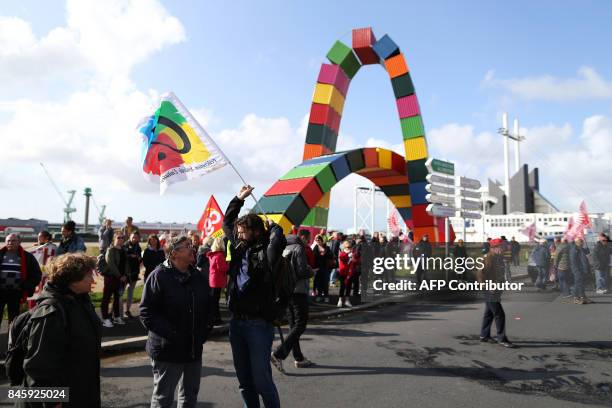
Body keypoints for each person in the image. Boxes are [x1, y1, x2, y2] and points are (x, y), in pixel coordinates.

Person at [223, 185, 286, 408]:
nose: (238, 234)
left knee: (261, 381)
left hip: (259, 324)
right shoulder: (239, 247)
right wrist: (238, 199)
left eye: (243, 230)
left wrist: (276, 230)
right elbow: (227, 223)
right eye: (238, 231)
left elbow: (278, 242)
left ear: (256, 231)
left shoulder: (266, 252)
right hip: (237, 323)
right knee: (244, 381)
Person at [20, 253, 102, 408]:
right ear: (72, 280)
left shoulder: (81, 300)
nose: (93, 280)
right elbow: (39, 365)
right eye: (88, 276)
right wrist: (52, 401)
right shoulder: (52, 312)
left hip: (81, 390)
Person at [140, 235, 212, 408]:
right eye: (187, 246)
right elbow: (146, 313)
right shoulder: (158, 276)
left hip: (194, 349)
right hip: (168, 350)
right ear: (173, 254)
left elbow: (208, 306)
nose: (192, 248)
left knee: (189, 396)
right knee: (163, 399)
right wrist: (172, 334)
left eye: (191, 244)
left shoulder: (197, 276)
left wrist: (205, 330)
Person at [271, 229, 315, 372]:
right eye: (307, 240)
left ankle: (298, 357)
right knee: (300, 324)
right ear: (302, 237)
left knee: (293, 326)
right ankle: (279, 353)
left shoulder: (283, 247)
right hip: (298, 290)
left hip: (286, 290)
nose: (308, 243)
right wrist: (312, 271)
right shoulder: (298, 248)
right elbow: (302, 271)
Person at [477, 238, 515, 348]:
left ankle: (484, 336)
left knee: (489, 313)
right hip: (490, 290)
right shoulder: (488, 258)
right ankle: (502, 339)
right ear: (494, 248)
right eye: (501, 247)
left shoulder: (498, 257)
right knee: (500, 314)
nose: (503, 249)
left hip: (495, 289)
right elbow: (480, 274)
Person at [0, 234, 41, 327]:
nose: (10, 243)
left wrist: (25, 285)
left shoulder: (28, 257)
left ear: (19, 242)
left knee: (14, 320)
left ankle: (12, 340)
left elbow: (37, 274)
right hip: (1, 292)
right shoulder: (1, 254)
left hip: (16, 293)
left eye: (13, 241)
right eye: (8, 241)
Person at [102, 234, 129, 327]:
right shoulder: (110, 250)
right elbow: (111, 264)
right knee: (107, 298)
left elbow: (125, 264)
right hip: (111, 278)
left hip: (121, 278)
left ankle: (116, 316)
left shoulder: (123, 250)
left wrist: (125, 275)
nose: (121, 239)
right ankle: (105, 318)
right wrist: (119, 276)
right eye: (118, 238)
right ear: (114, 239)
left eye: (122, 238)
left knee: (117, 298)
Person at [28, 231, 57, 308]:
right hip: (44, 275)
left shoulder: (44, 248)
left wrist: (36, 248)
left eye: (39, 237)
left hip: (43, 276)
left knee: (38, 296)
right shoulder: (53, 247)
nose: (38, 239)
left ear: (46, 238)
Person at [207, 236, 229, 326]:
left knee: (214, 301)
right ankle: (216, 319)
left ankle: (214, 318)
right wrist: (228, 265)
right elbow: (222, 268)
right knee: (215, 301)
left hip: (213, 279)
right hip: (217, 280)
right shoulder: (219, 255)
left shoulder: (212, 255)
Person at [124, 232, 142, 319]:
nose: (134, 239)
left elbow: (139, 258)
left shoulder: (138, 247)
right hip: (125, 273)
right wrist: (131, 255)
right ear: (130, 237)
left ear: (138, 238)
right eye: (133, 237)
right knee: (120, 293)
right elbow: (123, 257)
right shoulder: (125, 245)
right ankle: (114, 312)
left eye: (136, 237)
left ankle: (127, 310)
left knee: (130, 293)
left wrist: (139, 258)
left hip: (134, 273)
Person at [569, 238, 592, 305]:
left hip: (583, 269)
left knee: (582, 283)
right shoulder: (574, 250)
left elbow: (585, 256)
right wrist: (577, 270)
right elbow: (573, 261)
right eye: (580, 242)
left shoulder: (581, 249)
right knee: (578, 283)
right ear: (577, 243)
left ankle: (583, 297)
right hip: (577, 269)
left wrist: (587, 252)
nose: (582, 243)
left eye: (582, 242)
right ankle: (576, 298)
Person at [338, 240, 359, 308]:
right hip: (343, 272)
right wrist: (348, 256)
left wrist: (355, 260)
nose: (348, 245)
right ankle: (340, 300)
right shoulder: (342, 253)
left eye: (349, 244)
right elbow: (343, 259)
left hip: (350, 273)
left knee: (349, 287)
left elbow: (357, 261)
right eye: (346, 244)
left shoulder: (353, 253)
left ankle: (347, 300)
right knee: (342, 287)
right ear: (344, 246)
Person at [313, 234, 333, 302]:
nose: (317, 241)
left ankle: (326, 296)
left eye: (319, 240)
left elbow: (331, 255)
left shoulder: (327, 247)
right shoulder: (315, 247)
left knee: (325, 282)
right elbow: (313, 256)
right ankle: (319, 295)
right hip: (318, 267)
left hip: (325, 267)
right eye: (316, 240)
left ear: (321, 240)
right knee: (319, 282)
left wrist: (325, 253)